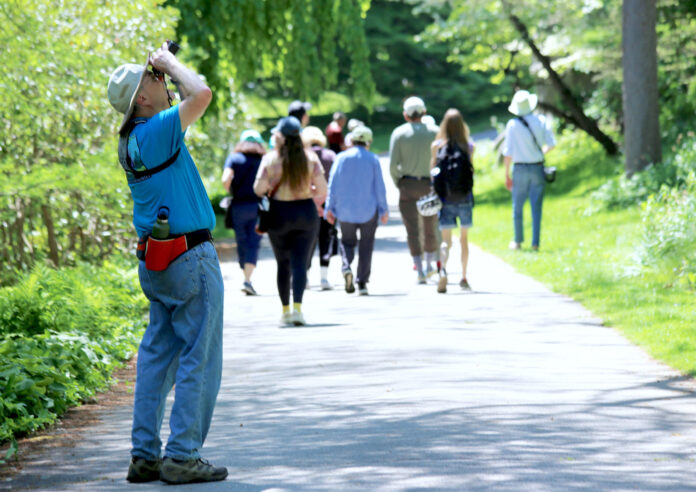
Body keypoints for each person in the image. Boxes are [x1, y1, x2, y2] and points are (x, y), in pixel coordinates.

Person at [107, 43, 227, 484]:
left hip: (158, 261)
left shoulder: (132, 141)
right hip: (190, 257)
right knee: (200, 355)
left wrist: (162, 73)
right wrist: (171, 62)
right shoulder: (155, 131)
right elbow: (202, 94)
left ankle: (145, 455)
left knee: (157, 357)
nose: (160, 80)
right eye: (153, 78)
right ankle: (183, 454)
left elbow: (186, 102)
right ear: (140, 98)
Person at [254, 116, 327, 326]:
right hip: (305, 212)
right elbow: (322, 190)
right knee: (300, 263)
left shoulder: (270, 159)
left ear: (282, 137)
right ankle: (298, 309)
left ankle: (285, 311)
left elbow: (258, 189)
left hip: (279, 213)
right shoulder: (311, 158)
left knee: (283, 263)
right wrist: (308, 189)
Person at [325, 126, 389, 296]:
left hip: (345, 210)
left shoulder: (341, 158)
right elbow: (379, 187)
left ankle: (346, 268)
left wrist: (329, 208)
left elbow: (333, 184)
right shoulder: (373, 159)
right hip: (368, 210)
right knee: (366, 245)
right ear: (368, 142)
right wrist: (384, 209)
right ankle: (362, 283)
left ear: (351, 140)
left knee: (347, 242)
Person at [389, 96, 439, 283]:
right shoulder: (435, 132)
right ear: (424, 112)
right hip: (429, 185)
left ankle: (418, 269)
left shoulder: (399, 133)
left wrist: (399, 183)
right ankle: (428, 265)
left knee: (412, 228)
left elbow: (393, 165)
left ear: (405, 115)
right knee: (429, 226)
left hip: (407, 185)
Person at [502, 90, 556, 251]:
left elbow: (508, 153)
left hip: (519, 169)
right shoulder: (541, 120)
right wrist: (539, 153)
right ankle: (535, 243)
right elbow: (551, 144)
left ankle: (518, 241)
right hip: (537, 167)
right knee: (536, 207)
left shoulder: (512, 125)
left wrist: (506, 174)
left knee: (517, 207)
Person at [430, 109, 475, 293]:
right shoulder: (469, 146)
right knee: (463, 239)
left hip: (445, 199)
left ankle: (442, 270)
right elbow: (472, 170)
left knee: (445, 241)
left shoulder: (437, 147)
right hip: (464, 197)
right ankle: (463, 277)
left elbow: (432, 172)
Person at [221, 129, 266, 295]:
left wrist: (232, 191)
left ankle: (245, 277)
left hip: (238, 206)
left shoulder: (234, 158)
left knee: (241, 241)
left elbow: (225, 179)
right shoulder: (263, 159)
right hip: (257, 207)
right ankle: (247, 280)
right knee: (254, 242)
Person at [302, 126, 338, 290]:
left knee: (307, 241)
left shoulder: (303, 157)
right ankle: (324, 278)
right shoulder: (331, 156)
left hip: (307, 204)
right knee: (326, 238)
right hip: (327, 203)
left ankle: (305, 278)